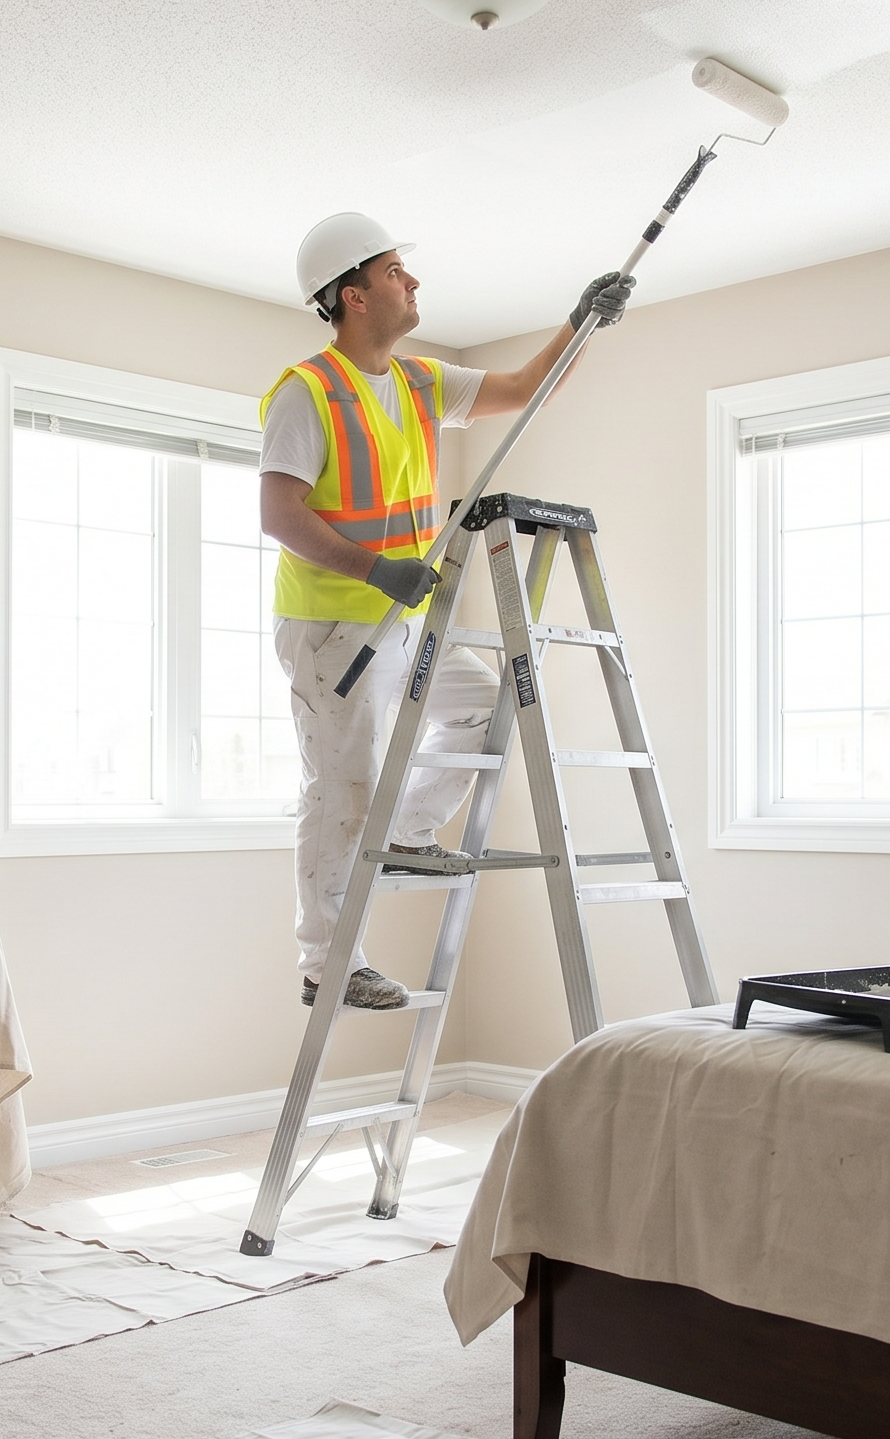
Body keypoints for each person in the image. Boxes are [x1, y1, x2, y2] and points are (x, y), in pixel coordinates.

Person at [259, 212, 631, 1009]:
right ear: (353, 296)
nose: (413, 281)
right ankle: (329, 964)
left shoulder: (424, 382)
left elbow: (529, 390)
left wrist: (582, 322)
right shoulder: (308, 392)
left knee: (487, 706)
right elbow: (281, 515)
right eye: (397, 271)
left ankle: (406, 832)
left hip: (399, 620)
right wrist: (372, 569)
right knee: (338, 785)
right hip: (332, 626)